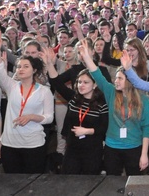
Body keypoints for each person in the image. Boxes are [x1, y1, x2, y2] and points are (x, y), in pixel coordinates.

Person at [78, 39, 149, 176]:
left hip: (134, 147)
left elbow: (146, 128)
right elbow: (97, 75)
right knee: (111, 183)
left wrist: (144, 155)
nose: (115, 81)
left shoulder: (143, 101)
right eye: (116, 78)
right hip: (112, 147)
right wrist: (87, 58)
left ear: (130, 81)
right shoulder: (111, 92)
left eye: (120, 79)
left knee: (134, 183)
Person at [0, 30, 54, 174]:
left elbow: (49, 117)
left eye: (26, 67)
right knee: (12, 184)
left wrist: (32, 117)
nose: (21, 69)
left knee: (31, 183)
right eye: (19, 66)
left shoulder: (44, 91)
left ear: (34, 70)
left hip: (34, 144)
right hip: (10, 144)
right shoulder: (12, 86)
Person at [44, 47, 109, 175]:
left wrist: (87, 131)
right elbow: (57, 83)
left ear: (94, 85)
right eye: (79, 82)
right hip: (72, 148)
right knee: (69, 180)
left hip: (92, 149)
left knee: (88, 181)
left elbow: (104, 127)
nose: (81, 85)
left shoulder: (102, 104)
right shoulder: (74, 98)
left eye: (85, 82)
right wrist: (49, 64)